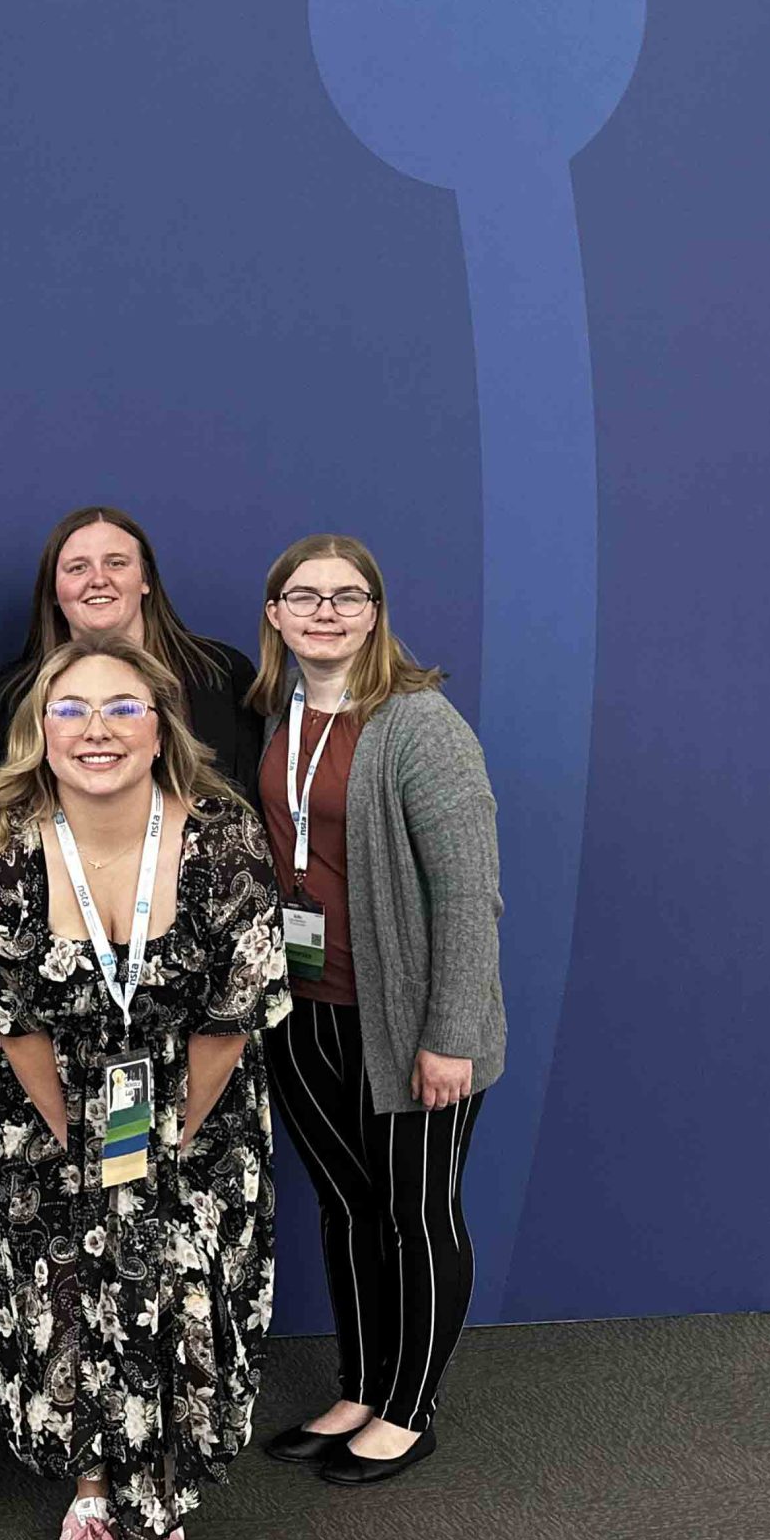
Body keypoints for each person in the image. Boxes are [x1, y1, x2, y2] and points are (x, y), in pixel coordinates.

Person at [0, 633, 288, 1540]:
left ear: (159, 724)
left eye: (120, 707)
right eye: (72, 709)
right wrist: (86, 1151)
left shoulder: (221, 836)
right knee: (77, 1315)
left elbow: (235, 1010)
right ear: (38, 729)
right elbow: (7, 1018)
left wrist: (166, 1144)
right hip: (47, 1125)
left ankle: (162, 1520)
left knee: (178, 1311)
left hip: (199, 1126)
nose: (96, 729)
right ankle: (91, 1506)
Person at [249, 536, 502, 1487]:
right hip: (305, 1008)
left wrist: (453, 1035)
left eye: (346, 596)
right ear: (274, 614)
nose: (324, 611)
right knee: (350, 1207)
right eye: (303, 596)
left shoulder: (419, 723)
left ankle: (409, 1407)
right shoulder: (280, 716)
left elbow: (470, 893)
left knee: (417, 1211)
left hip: (407, 1020)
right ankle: (361, 1386)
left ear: (375, 611)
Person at [1, 506, 265, 804]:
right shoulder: (13, 697)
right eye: (77, 568)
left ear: (145, 579)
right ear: (52, 591)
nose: (98, 579)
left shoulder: (223, 674)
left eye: (116, 563)